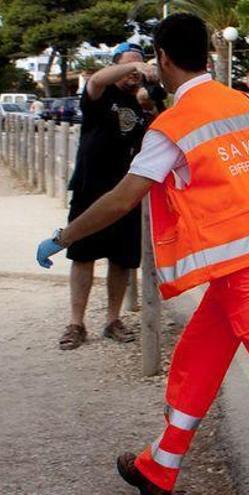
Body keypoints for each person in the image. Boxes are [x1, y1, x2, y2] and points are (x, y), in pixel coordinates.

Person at [36, 13, 249, 495]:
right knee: (197, 359)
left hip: (239, 269)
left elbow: (122, 198)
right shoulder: (245, 103)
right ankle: (159, 467)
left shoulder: (172, 126)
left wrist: (64, 236)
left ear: (162, 58)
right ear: (208, 54)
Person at [55, 42, 156, 350]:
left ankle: (113, 319)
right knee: (83, 254)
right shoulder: (100, 95)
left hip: (126, 191)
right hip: (90, 187)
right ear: (116, 67)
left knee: (122, 260)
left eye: (139, 67)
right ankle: (76, 322)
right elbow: (96, 80)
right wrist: (135, 65)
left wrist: (150, 103)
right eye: (128, 66)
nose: (135, 73)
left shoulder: (141, 102)